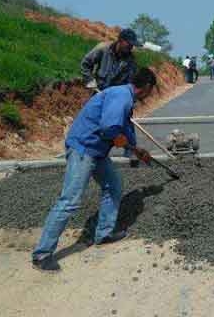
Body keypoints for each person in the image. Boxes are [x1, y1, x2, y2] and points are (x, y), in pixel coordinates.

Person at [32, 68, 157, 272]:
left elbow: (122, 131)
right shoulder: (121, 96)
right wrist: (120, 140)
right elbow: (110, 128)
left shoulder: (125, 98)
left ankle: (103, 234)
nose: (151, 94)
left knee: (114, 185)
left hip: (97, 152)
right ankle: (42, 254)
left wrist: (135, 150)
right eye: (152, 90)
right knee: (70, 200)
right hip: (83, 149)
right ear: (147, 87)